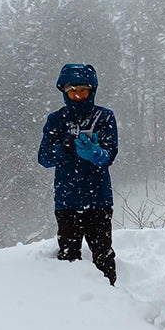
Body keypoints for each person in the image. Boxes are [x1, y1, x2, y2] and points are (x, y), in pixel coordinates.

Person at [38, 63, 118, 285]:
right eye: (71, 91)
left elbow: (110, 155)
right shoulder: (56, 120)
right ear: (63, 91)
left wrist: (95, 153)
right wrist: (63, 148)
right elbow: (44, 158)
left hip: (98, 199)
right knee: (68, 256)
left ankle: (112, 299)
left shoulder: (105, 117)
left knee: (103, 255)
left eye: (82, 90)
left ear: (92, 90)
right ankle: (71, 303)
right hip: (67, 201)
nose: (77, 96)